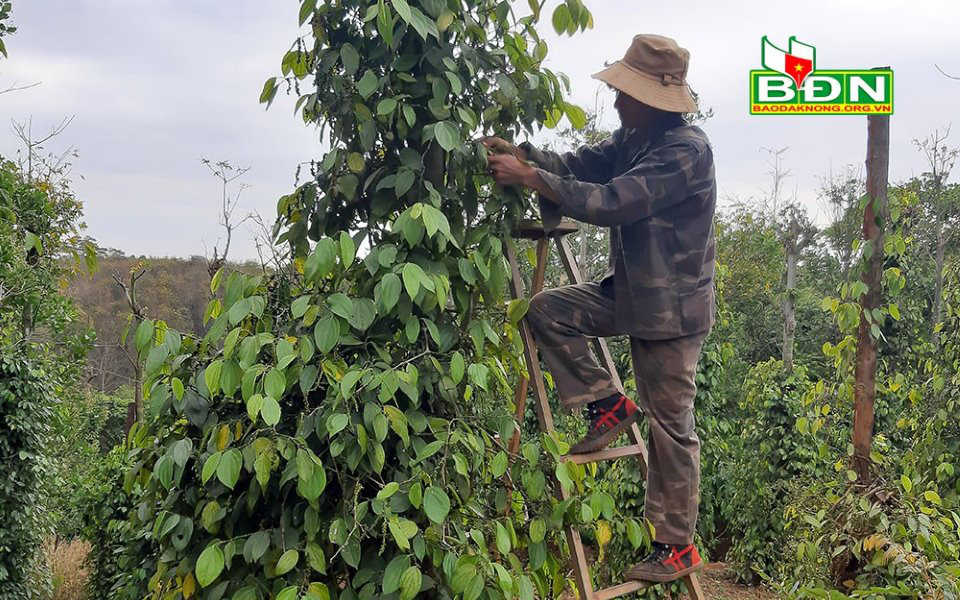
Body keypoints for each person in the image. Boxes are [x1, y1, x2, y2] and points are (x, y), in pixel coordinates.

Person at [481, 33, 716, 583]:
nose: (615, 101)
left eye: (624, 93)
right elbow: (582, 164)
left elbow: (617, 200)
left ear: (654, 101)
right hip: (633, 294)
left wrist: (532, 179)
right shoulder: (631, 139)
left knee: (671, 425)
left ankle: (677, 545)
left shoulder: (685, 151)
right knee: (545, 311)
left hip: (673, 311)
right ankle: (606, 404)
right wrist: (526, 156)